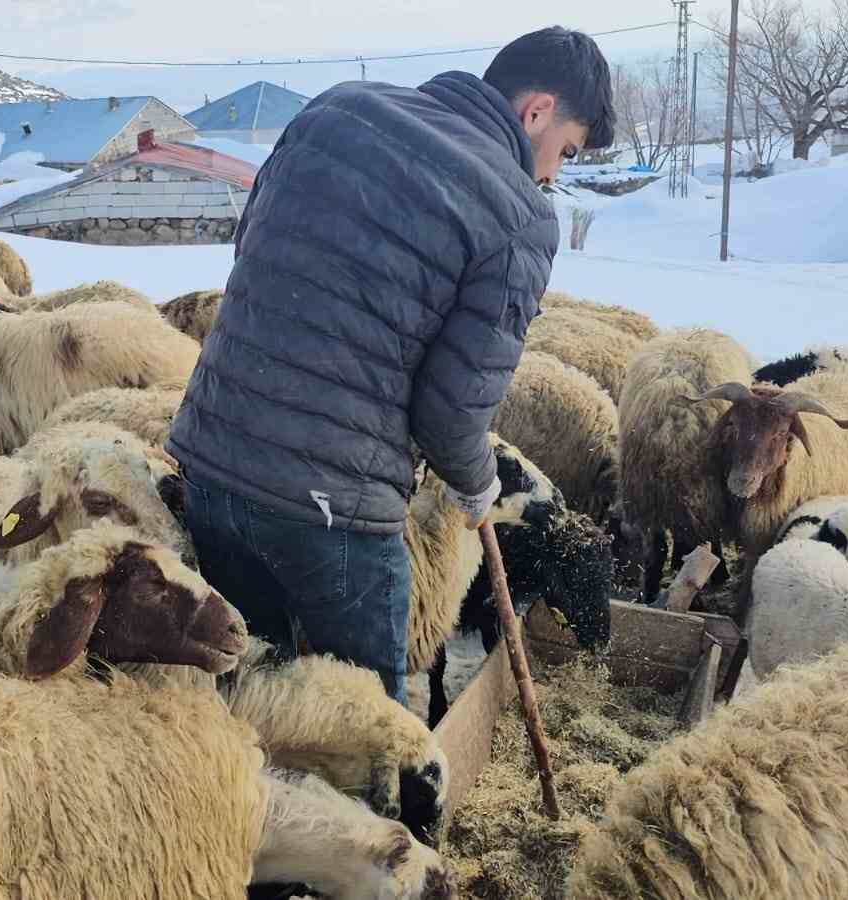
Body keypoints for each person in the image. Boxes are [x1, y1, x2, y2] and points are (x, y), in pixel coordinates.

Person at [165, 27, 615, 706]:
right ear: (537, 113)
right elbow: (452, 411)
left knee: (249, 695)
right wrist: (476, 487)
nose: (554, 174)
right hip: (331, 508)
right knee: (365, 730)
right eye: (567, 151)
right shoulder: (519, 215)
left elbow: (251, 254)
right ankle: (374, 812)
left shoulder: (333, 110)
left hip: (213, 461)